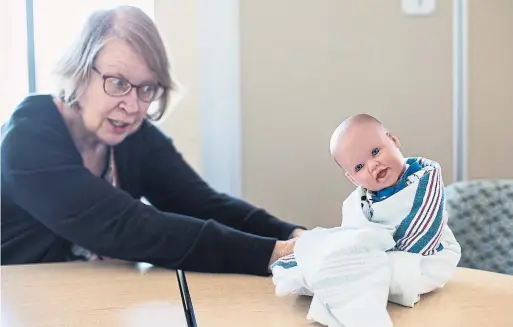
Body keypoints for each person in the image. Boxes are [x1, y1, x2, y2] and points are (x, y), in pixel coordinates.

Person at [1, 6, 304, 276]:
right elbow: (131, 226)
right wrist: (274, 254)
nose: (132, 106)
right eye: (118, 83)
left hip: (96, 302)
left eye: (146, 89)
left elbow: (201, 203)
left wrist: (295, 235)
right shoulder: (27, 140)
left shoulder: (132, 135)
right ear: (80, 72)